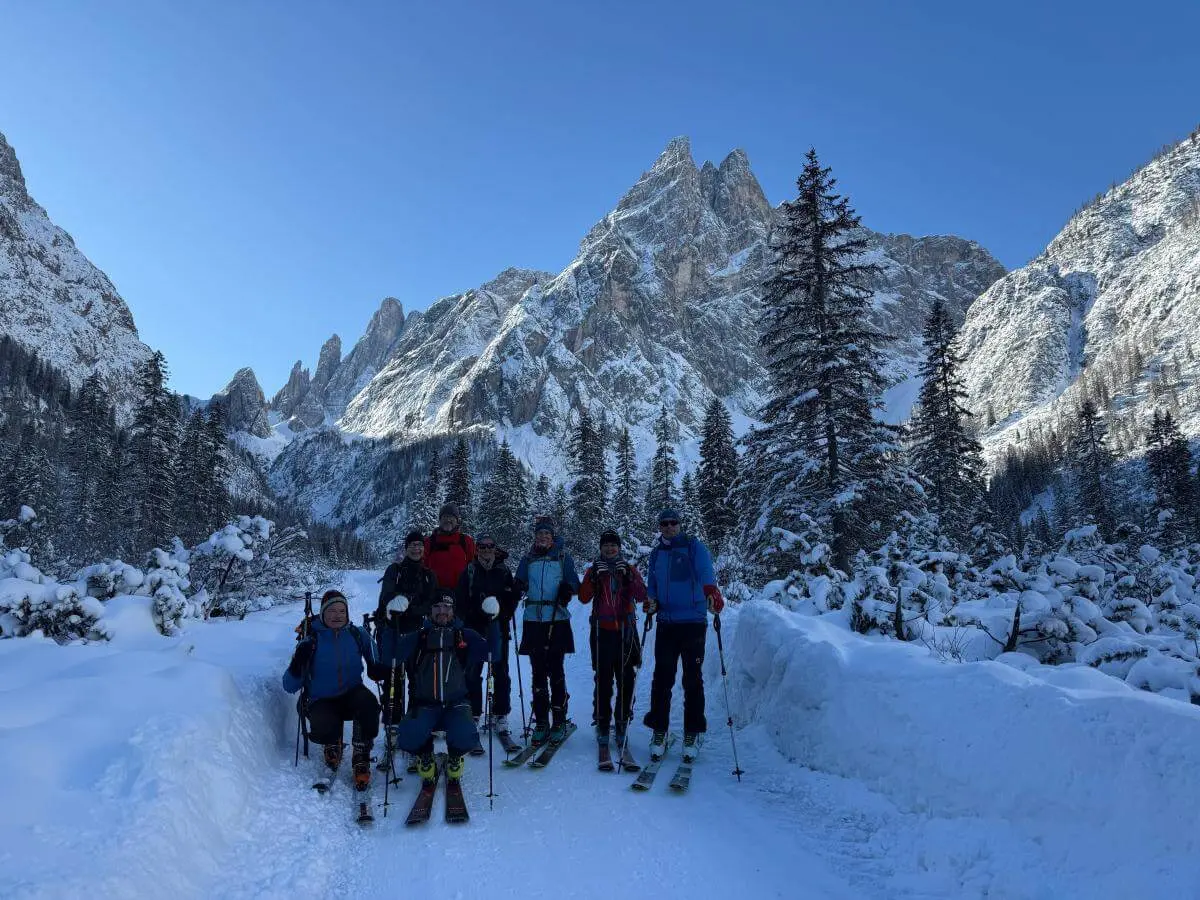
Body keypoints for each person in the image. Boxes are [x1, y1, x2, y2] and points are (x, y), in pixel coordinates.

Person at [642, 508, 724, 763]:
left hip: (692, 622)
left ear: (680, 524)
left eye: (672, 523)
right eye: (664, 523)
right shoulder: (656, 553)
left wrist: (712, 591)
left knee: (692, 679)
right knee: (662, 678)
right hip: (666, 622)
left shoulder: (693, 546)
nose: (668, 527)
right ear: (659, 526)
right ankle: (660, 731)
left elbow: (705, 572)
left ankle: (693, 732)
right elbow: (652, 583)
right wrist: (651, 601)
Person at [380, 592, 489, 786]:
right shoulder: (419, 636)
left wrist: (494, 620)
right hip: (425, 703)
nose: (442, 611)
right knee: (406, 737)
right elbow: (391, 657)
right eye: (437, 607)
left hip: (456, 703)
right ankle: (425, 754)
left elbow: (492, 654)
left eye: (447, 607)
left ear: (453, 610)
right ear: (430, 611)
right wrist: (390, 623)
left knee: (467, 737)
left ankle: (455, 756)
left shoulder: (464, 635)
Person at [283, 590, 381, 790]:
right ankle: (332, 743)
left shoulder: (355, 633)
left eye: (342, 611)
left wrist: (377, 667)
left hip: (352, 693)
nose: (337, 615)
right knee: (325, 724)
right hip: (322, 698)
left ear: (347, 613)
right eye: (332, 611)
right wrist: (297, 665)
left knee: (369, 706)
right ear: (323, 614)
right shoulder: (311, 641)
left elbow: (376, 659)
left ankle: (361, 751)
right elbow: (289, 685)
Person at [373, 530, 440, 766]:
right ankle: (391, 733)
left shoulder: (429, 575)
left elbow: (430, 604)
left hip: (417, 635)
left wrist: (407, 607)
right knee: (393, 684)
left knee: (417, 684)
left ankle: (412, 731)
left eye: (419, 546)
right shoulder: (395, 570)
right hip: (393, 632)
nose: (416, 549)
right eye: (412, 545)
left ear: (424, 549)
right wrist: (401, 605)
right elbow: (386, 597)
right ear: (406, 548)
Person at [579, 529, 647, 753]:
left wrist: (628, 576)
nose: (609, 549)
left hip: (626, 632)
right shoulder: (594, 569)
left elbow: (641, 595)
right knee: (604, 680)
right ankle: (602, 723)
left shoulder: (628, 569)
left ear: (619, 548)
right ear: (600, 548)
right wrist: (591, 578)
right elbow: (583, 597)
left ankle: (621, 722)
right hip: (601, 631)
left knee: (627, 679)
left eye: (613, 545)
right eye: (606, 545)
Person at [515, 517, 580, 745]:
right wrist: (515, 587)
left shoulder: (563, 558)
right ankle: (542, 721)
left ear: (553, 537)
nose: (543, 537)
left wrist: (567, 590)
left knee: (556, 670)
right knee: (537, 671)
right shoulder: (528, 559)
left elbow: (574, 583)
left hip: (557, 619)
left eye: (547, 534)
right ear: (535, 536)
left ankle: (559, 720)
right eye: (539, 533)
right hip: (534, 620)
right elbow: (519, 582)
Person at [454, 532, 519, 748]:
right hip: (475, 630)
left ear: (495, 548)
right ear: (477, 549)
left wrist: (504, 610)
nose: (486, 550)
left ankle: (500, 714)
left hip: (498, 628)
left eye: (490, 546)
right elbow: (460, 603)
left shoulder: (503, 571)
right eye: (482, 547)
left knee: (500, 671)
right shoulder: (470, 571)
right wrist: (477, 613)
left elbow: (510, 601)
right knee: (473, 672)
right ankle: (473, 714)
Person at [424, 503, 476, 591]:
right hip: (434, 594)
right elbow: (421, 565)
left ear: (457, 520)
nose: (448, 520)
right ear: (440, 520)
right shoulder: (429, 542)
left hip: (460, 594)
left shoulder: (466, 541)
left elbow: (475, 564)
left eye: (451, 517)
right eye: (445, 517)